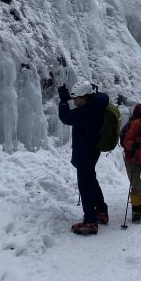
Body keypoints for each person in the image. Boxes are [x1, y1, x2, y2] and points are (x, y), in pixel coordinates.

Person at [57, 81, 110, 235]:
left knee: (85, 185)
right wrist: (68, 99)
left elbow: (66, 118)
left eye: (76, 99)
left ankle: (90, 221)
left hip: (86, 152)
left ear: (85, 97)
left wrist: (63, 101)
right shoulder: (96, 104)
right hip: (92, 150)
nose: (74, 102)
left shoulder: (87, 111)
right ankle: (101, 211)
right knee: (91, 180)